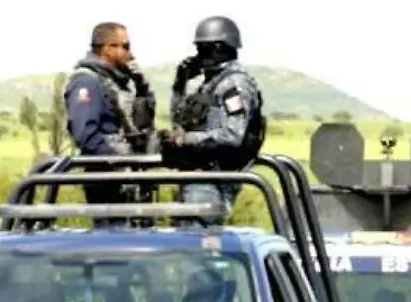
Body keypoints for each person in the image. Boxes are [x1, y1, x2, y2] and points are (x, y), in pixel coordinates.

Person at [163, 16, 267, 226]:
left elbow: (233, 135)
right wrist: (180, 84)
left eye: (204, 49)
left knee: (199, 243)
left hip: (213, 180)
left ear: (220, 48)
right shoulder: (209, 85)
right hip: (198, 175)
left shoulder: (233, 85)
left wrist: (188, 139)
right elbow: (179, 121)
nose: (198, 56)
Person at [64, 22, 157, 223]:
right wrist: (119, 159)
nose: (130, 54)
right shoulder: (87, 81)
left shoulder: (120, 82)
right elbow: (86, 134)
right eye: (125, 46)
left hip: (129, 177)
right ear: (108, 48)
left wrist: (142, 86)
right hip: (108, 181)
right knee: (115, 240)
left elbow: (142, 123)